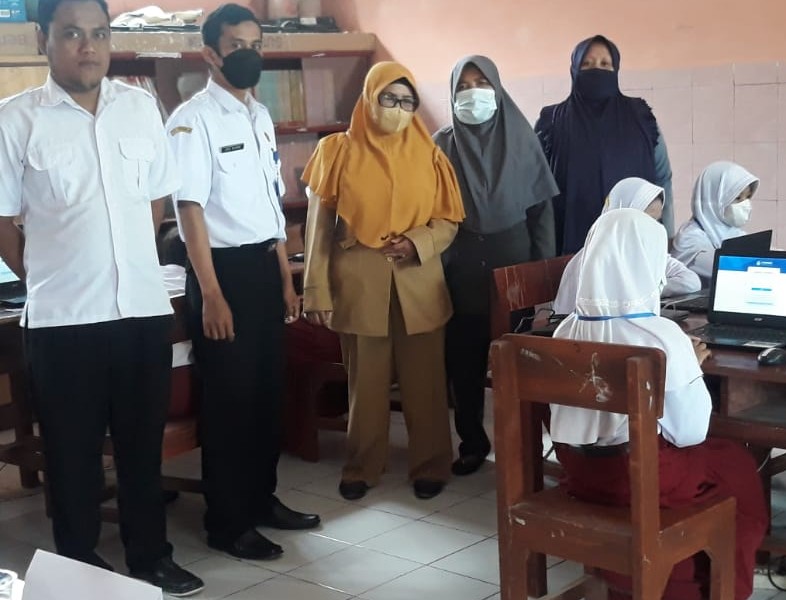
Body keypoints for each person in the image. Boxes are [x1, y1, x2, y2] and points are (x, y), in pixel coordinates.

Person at [0, 0, 204, 594]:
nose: (87, 46)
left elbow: (157, 198)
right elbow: (3, 220)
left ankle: (151, 556)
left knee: (141, 448)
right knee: (72, 456)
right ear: (43, 39)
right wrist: (45, 272)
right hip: (63, 320)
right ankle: (80, 569)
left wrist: (129, 259)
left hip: (141, 312)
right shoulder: (16, 120)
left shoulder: (139, 109)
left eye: (98, 33)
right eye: (71, 33)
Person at [165, 3, 319, 561]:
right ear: (211, 53)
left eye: (256, 44)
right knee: (229, 403)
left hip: (262, 271)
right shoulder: (192, 120)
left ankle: (260, 500)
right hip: (220, 272)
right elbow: (190, 210)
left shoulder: (259, 115)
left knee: (265, 396)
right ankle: (227, 522)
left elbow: (271, 210)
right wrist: (210, 293)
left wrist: (285, 281)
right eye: (236, 45)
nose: (248, 54)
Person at [549, 209, 767, 600]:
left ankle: (631, 581)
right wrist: (689, 367)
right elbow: (690, 432)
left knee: (720, 466)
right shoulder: (662, 337)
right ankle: (715, 587)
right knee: (738, 466)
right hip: (644, 479)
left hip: (581, 475)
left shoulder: (564, 331)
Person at [302, 61, 465, 501]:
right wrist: (316, 291)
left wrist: (417, 242)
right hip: (358, 282)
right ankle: (362, 466)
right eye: (388, 98)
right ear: (369, 98)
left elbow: (448, 220)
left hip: (419, 282)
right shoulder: (337, 151)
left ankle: (431, 464)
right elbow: (318, 228)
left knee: (426, 383)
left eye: (407, 101)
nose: (397, 109)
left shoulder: (430, 155)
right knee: (366, 385)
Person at [433, 55, 558, 476]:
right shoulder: (440, 146)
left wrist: (541, 278)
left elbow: (541, 212)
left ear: (498, 88)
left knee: (519, 362)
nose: (473, 93)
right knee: (464, 362)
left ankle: (524, 445)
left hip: (515, 264)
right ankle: (471, 443)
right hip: (461, 263)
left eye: (481, 83)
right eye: (463, 86)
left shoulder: (522, 139)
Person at [535, 35, 675, 255]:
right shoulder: (552, 121)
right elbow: (538, 187)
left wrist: (666, 234)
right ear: (574, 69)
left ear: (616, 69)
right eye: (587, 64)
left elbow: (662, 177)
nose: (596, 70)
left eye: (605, 64)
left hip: (634, 241)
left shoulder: (641, 117)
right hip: (570, 243)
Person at [553, 177, 701, 314]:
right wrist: (643, 292)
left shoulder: (646, 252)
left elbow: (691, 282)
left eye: (656, 221)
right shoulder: (592, 261)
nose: (652, 228)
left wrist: (650, 290)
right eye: (645, 220)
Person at [671, 161, 759, 285]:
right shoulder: (690, 239)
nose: (745, 204)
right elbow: (729, 268)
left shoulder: (734, 233)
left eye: (748, 197)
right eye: (738, 198)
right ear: (714, 199)